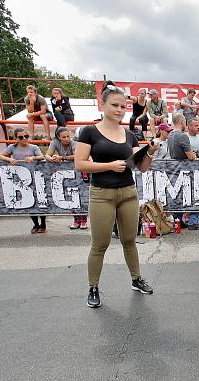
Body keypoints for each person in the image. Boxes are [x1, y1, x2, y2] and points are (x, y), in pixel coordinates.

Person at [75, 81, 155, 308]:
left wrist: (149, 151)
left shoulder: (129, 134)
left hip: (128, 192)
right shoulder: (89, 132)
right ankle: (93, 287)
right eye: (115, 105)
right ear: (104, 104)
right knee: (99, 244)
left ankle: (136, 278)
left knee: (130, 240)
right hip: (102, 194)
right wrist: (109, 166)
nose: (119, 110)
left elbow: (142, 167)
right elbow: (80, 164)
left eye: (123, 106)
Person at [0, 128, 46, 233]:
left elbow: (41, 156)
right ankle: (36, 224)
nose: (24, 139)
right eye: (21, 137)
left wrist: (33, 158)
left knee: (40, 200)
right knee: (27, 201)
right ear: (16, 138)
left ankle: (43, 224)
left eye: (26, 136)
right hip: (21, 179)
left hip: (35, 176)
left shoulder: (33, 147)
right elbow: (1, 155)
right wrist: (9, 159)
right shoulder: (12, 147)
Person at [46, 127, 85, 230]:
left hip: (77, 171)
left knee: (80, 195)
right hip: (66, 172)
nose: (67, 139)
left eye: (68, 136)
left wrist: (62, 157)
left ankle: (83, 220)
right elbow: (47, 155)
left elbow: (77, 156)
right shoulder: (55, 142)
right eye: (64, 137)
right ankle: (76, 220)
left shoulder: (74, 143)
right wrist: (52, 159)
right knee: (70, 195)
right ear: (59, 138)